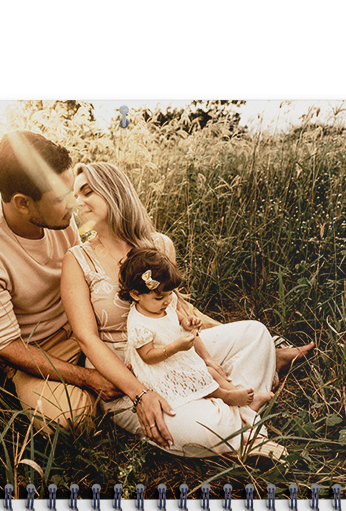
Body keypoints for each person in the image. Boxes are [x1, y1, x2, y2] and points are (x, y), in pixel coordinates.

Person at [60, 161, 314, 457]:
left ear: (113, 192)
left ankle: (231, 417)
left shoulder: (158, 245)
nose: (76, 201)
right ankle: (245, 422)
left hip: (180, 349)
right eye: (74, 194)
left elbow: (178, 308)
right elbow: (86, 339)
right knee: (200, 428)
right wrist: (139, 394)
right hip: (127, 372)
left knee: (256, 335)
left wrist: (212, 348)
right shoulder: (77, 260)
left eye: (87, 192)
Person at [0, 131, 121, 432]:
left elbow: (83, 272)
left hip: (84, 320)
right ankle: (94, 390)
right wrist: (88, 378)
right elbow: (6, 346)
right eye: (63, 199)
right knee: (71, 421)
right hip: (38, 349)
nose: (75, 205)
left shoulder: (57, 216)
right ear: (23, 203)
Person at [121, 247, 273, 425]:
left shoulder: (164, 303)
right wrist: (175, 347)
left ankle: (241, 399)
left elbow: (175, 316)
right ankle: (226, 397)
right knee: (202, 377)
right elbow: (147, 357)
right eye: (160, 297)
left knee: (209, 372)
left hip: (177, 358)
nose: (167, 301)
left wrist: (186, 322)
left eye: (170, 294)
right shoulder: (139, 325)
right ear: (135, 294)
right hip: (161, 370)